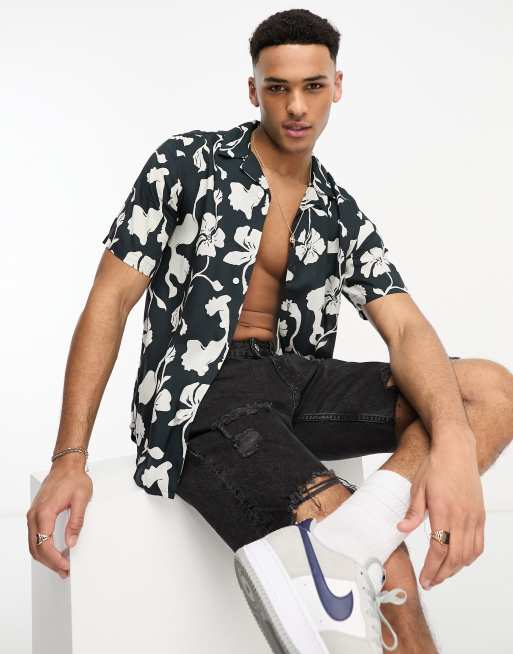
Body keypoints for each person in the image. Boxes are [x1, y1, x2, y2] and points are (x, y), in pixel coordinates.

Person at [26, 8, 513, 653]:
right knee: (389, 569)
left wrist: (453, 442)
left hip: (296, 386)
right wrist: (70, 458)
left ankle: (353, 537)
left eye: (313, 86)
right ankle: (357, 547)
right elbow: (109, 301)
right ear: (253, 90)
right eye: (278, 87)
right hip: (202, 395)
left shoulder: (337, 210)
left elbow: (406, 326)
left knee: (490, 391)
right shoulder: (187, 163)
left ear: (337, 87)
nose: (296, 106)